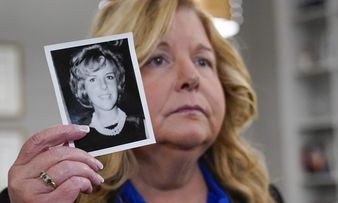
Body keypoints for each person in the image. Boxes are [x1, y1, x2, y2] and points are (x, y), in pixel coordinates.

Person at [1, 0, 284, 203]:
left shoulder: (261, 197)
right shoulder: (55, 198)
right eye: (158, 59)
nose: (192, 77)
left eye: (203, 60)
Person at [68, 44, 146, 152]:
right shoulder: (80, 141)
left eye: (109, 77)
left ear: (118, 82)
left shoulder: (143, 125)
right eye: (93, 80)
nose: (104, 85)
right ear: (83, 88)